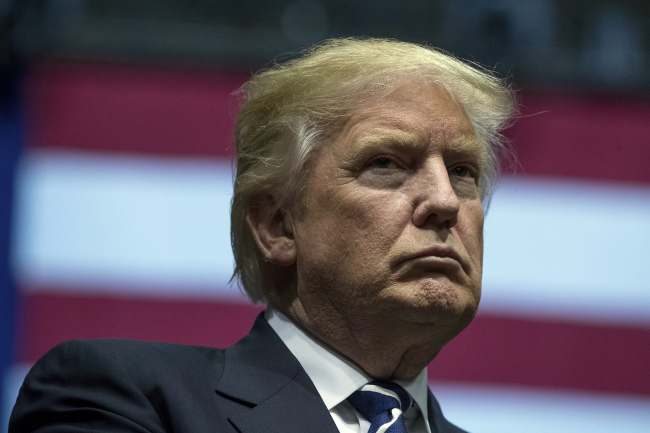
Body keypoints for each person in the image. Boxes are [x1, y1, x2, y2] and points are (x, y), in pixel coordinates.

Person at [9, 38, 516, 433]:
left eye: (463, 172)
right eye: (385, 163)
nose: (446, 201)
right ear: (277, 225)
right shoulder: (120, 397)